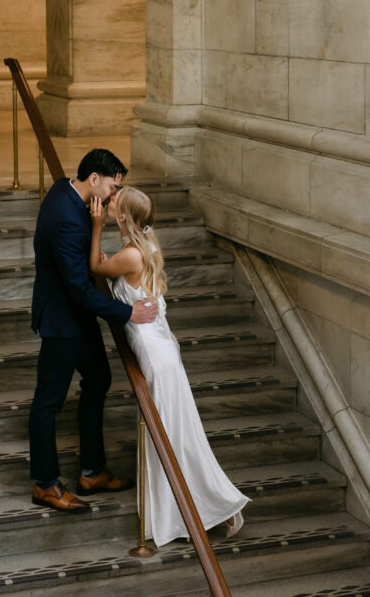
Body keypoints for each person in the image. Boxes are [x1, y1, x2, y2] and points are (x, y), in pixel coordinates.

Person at [89, 184, 248, 546]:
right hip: (160, 352)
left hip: (155, 357)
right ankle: (195, 509)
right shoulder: (147, 246)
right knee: (177, 433)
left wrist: (96, 226)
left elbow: (96, 266)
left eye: (114, 202)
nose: (109, 201)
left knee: (173, 436)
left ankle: (220, 505)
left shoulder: (132, 255)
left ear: (124, 215)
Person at [28, 149, 158, 514]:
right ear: (94, 180)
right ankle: (45, 483)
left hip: (78, 316)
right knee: (47, 403)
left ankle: (92, 471)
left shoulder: (62, 190)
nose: (115, 193)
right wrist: (126, 312)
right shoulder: (68, 217)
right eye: (113, 186)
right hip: (63, 318)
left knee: (99, 379)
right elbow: (79, 288)